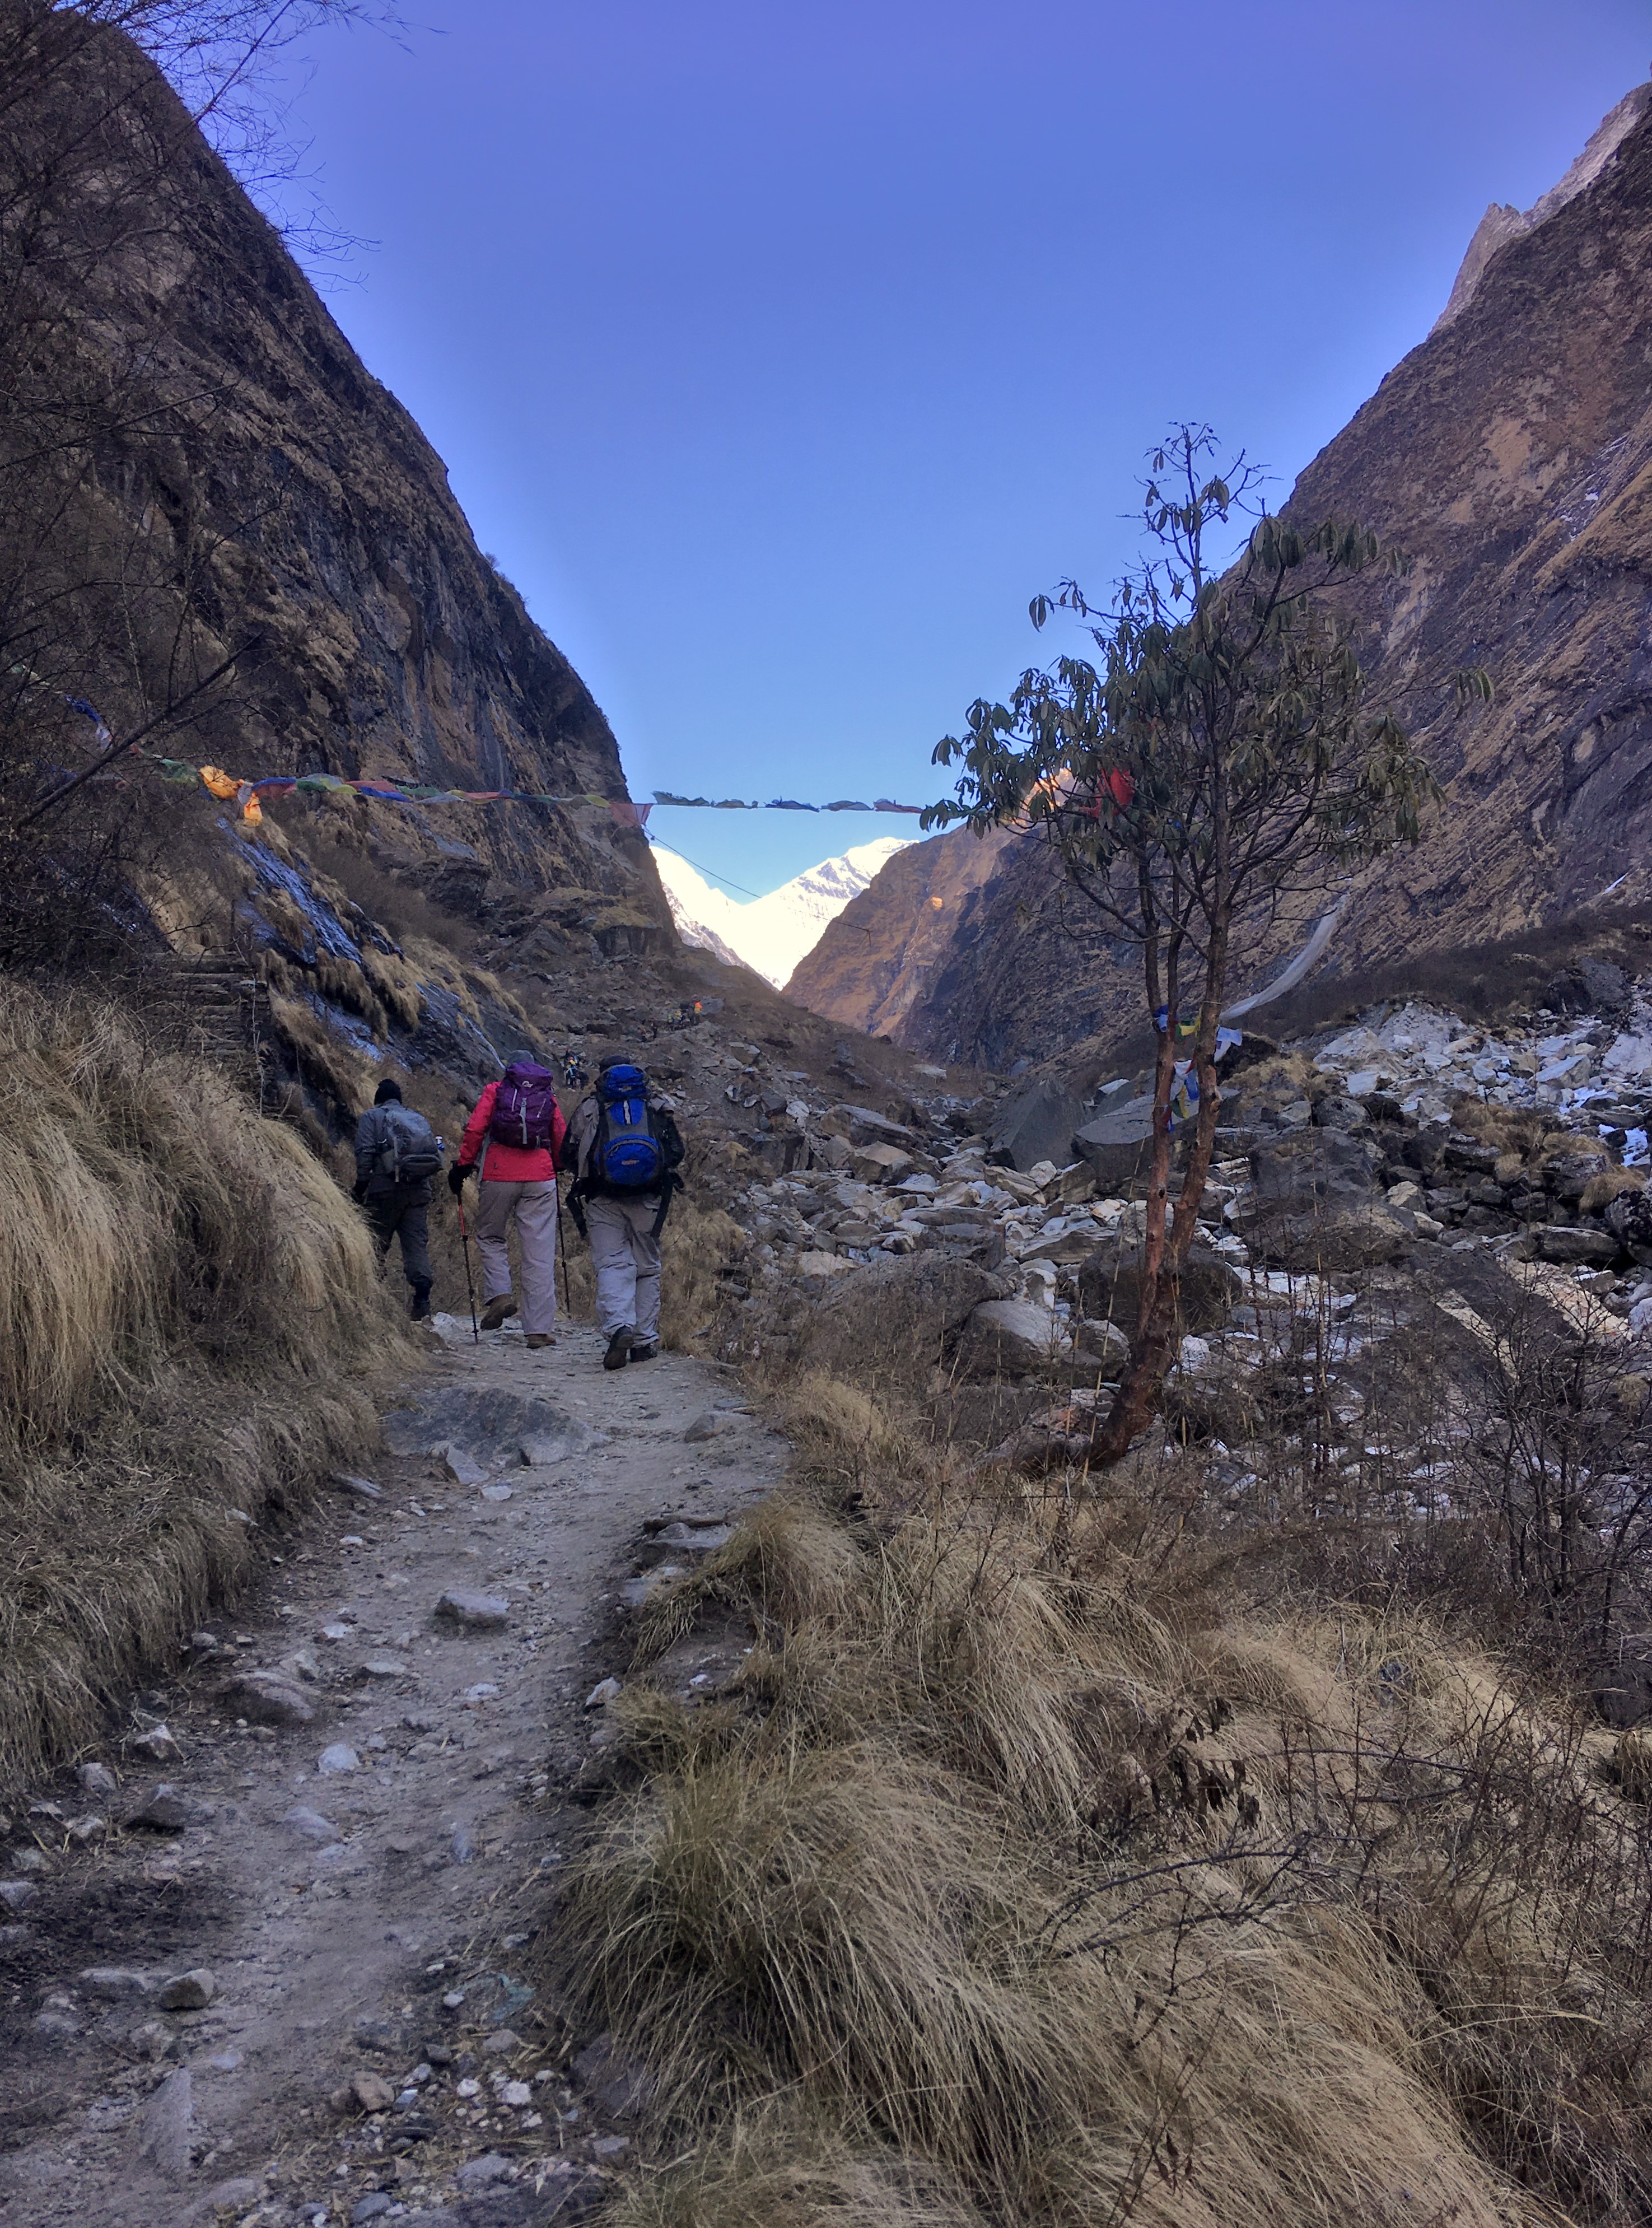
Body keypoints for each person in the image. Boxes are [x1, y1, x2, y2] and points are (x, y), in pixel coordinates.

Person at [561, 1057, 684, 1371]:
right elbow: (676, 1151)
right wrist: (653, 1174)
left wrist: (592, 1175)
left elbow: (567, 1154)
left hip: (603, 1198)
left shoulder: (591, 1108)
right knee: (647, 1267)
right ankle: (644, 1342)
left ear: (602, 1077)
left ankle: (619, 1327)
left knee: (612, 1264)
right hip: (648, 1199)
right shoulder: (654, 1104)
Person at [449, 1058, 567, 1349]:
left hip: (498, 1172)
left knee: (491, 1236)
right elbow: (560, 1133)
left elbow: (475, 1129)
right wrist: (558, 1165)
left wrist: (464, 1165)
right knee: (539, 1254)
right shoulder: (546, 1095)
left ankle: (500, 1295)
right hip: (541, 1176)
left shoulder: (496, 1090)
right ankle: (538, 1331)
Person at [352, 1078, 442, 1318]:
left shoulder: (372, 1117)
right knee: (416, 1246)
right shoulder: (416, 1118)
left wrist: (359, 1188)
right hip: (418, 1192)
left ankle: (373, 1303)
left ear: (378, 1099)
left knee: (375, 1245)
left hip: (385, 1192)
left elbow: (365, 1153)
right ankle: (422, 1300)